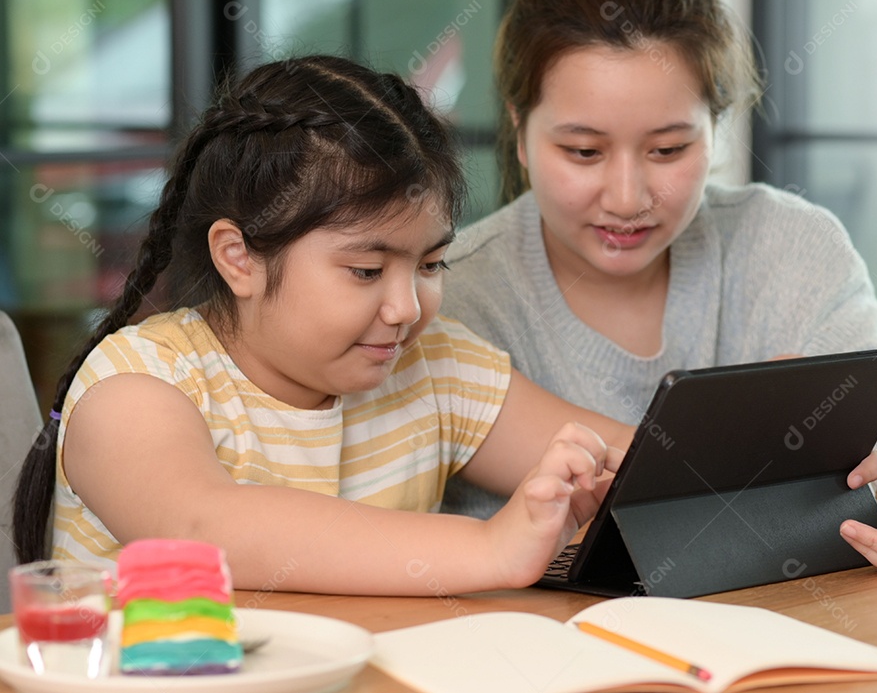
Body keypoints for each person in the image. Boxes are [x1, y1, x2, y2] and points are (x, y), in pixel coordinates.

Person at [439, 0, 877, 574]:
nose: (627, 199)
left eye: (668, 150)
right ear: (519, 131)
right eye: (584, 153)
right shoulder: (446, 291)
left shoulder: (789, 246)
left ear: (717, 128)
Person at [12, 55, 633, 596]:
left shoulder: (432, 364)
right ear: (240, 258)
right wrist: (491, 548)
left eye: (431, 263)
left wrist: (594, 483)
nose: (406, 308)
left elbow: (649, 464)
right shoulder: (136, 386)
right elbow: (204, 529)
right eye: (366, 270)